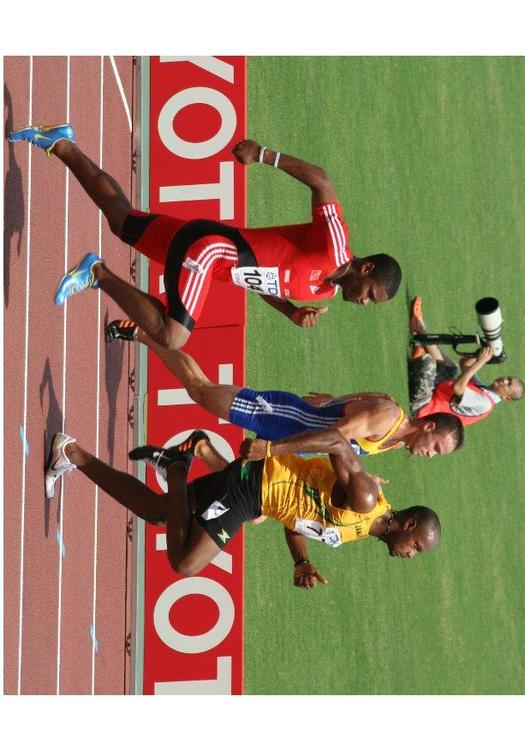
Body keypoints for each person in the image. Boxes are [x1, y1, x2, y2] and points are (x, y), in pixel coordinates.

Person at [8, 124, 402, 351]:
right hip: (211, 248)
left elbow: (259, 280)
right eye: (369, 293)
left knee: (121, 221)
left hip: (211, 259)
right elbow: (321, 180)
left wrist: (290, 312)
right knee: (172, 335)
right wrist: (264, 154)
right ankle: (97, 274)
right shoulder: (334, 245)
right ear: (365, 267)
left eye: (370, 302)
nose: (362, 302)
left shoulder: (323, 293)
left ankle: (61, 144)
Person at [44, 426, 441, 589]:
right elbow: (338, 441)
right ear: (407, 524)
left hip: (257, 494)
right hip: (252, 485)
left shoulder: (362, 530)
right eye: (417, 546)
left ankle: (71, 452)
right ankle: (179, 467)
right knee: (184, 564)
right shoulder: (367, 500)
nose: (411, 555)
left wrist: (299, 562)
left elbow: (296, 523)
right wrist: (272, 448)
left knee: (157, 510)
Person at [105, 323, 464, 457]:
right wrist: (275, 449)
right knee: (201, 390)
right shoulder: (388, 418)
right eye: (435, 448)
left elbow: (370, 395)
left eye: (437, 454)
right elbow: (331, 437)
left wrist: (334, 401)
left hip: (289, 440)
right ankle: (142, 332)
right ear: (430, 426)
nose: (430, 455)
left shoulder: (394, 436)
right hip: (279, 417)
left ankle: (193, 449)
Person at [409, 297, 525, 424]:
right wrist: (482, 355)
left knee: (428, 362)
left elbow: (457, 388)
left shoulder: (485, 404)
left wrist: (480, 362)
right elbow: (464, 364)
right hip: (435, 395)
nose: (504, 380)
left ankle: (419, 357)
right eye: (508, 378)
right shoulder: (483, 389)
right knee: (451, 368)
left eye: (509, 384)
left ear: (506, 398)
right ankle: (421, 332)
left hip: (423, 409)